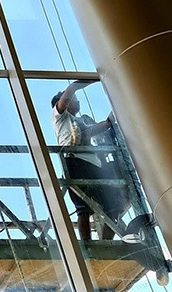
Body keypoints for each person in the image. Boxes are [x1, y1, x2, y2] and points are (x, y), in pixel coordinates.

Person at [51, 79, 127, 240]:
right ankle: (87, 245)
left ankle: (105, 242)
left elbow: (104, 125)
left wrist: (118, 105)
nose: (77, 104)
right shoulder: (60, 117)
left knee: (112, 206)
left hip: (93, 164)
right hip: (75, 162)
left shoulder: (81, 123)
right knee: (83, 208)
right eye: (74, 101)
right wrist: (93, 78)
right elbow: (70, 90)